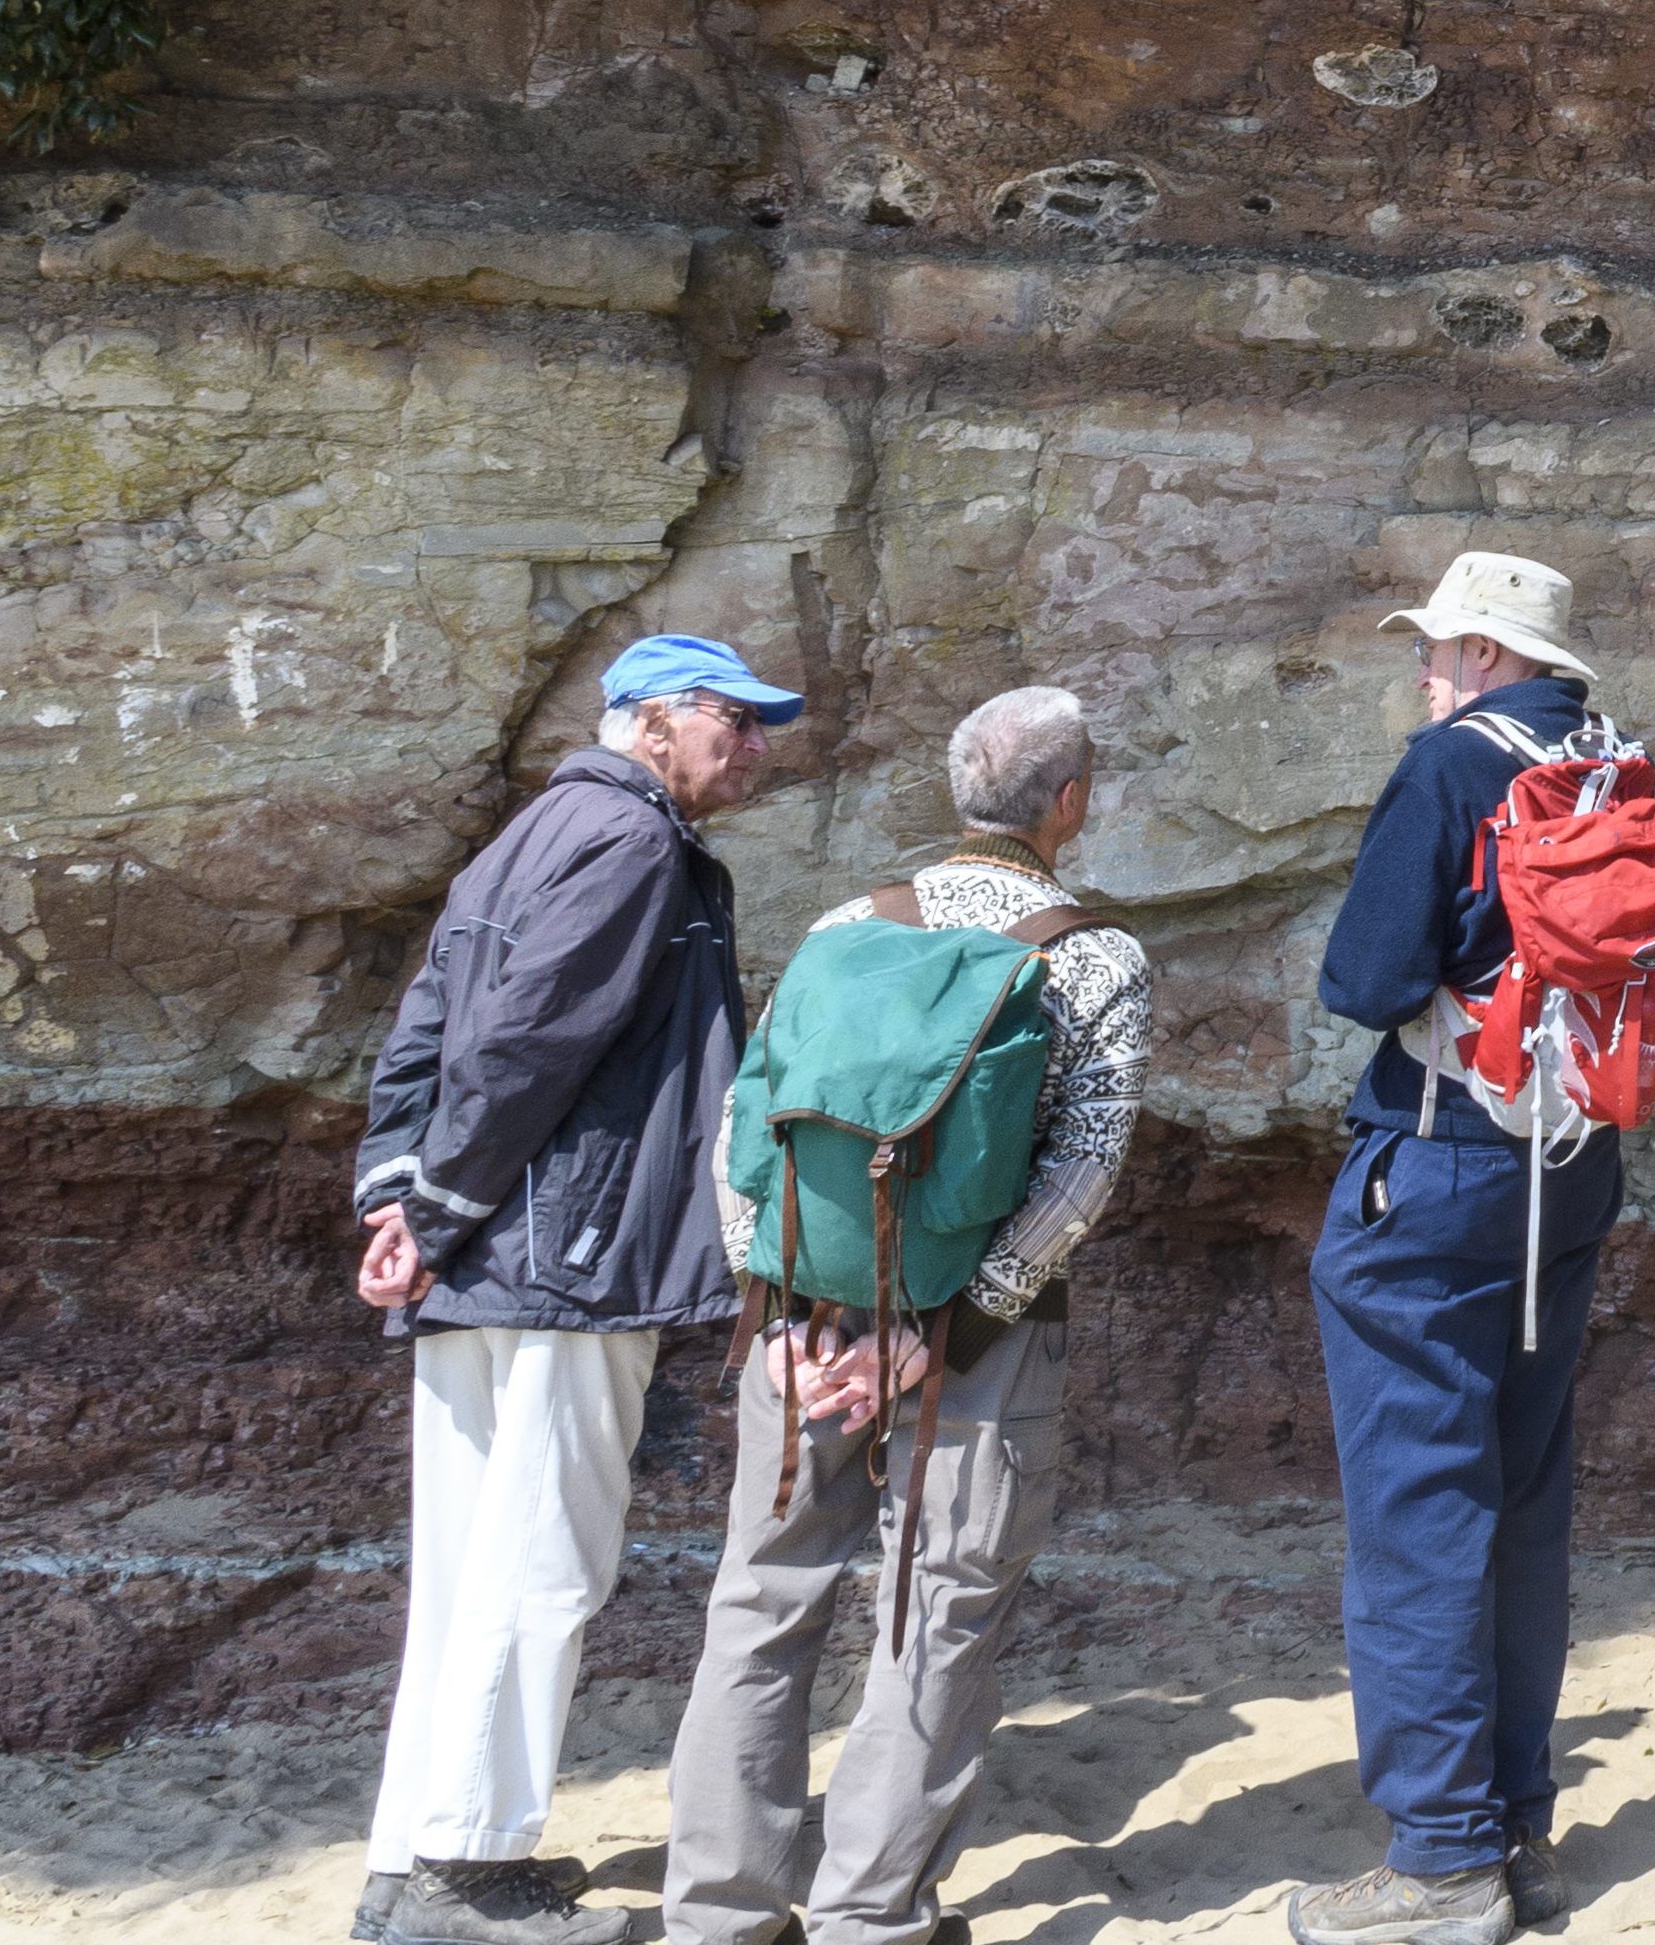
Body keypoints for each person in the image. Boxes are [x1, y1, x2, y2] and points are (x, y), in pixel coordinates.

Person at [664, 685, 1159, 1945]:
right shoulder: (1094, 954)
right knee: (937, 1610)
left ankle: (720, 1911)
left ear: (955, 796)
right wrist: (940, 1334)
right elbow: (1080, 1174)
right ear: (1070, 802)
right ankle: (870, 1918)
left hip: (803, 1325)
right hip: (976, 1354)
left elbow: (745, 1127)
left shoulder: (846, 924)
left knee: (760, 1599)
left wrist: (775, 1311)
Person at [349, 633, 797, 1945]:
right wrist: (431, 1207)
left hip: (488, 1256)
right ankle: (467, 1874)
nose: (758, 747)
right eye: (738, 719)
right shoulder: (635, 845)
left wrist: (401, 1198)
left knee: (465, 1565)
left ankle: (410, 1858)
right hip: (567, 1254)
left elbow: (424, 1030)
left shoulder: (524, 836)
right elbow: (526, 1043)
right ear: (656, 720)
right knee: (540, 1564)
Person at [1288, 550, 1630, 1945]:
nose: (1420, 672)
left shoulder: (1453, 767)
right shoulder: (1619, 763)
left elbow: (1362, 981)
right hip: (1574, 1163)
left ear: (1489, 654)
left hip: (1435, 1169)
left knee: (1421, 1508)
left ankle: (1438, 1864)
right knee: (1524, 1493)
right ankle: (1519, 1830)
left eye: (1434, 649)